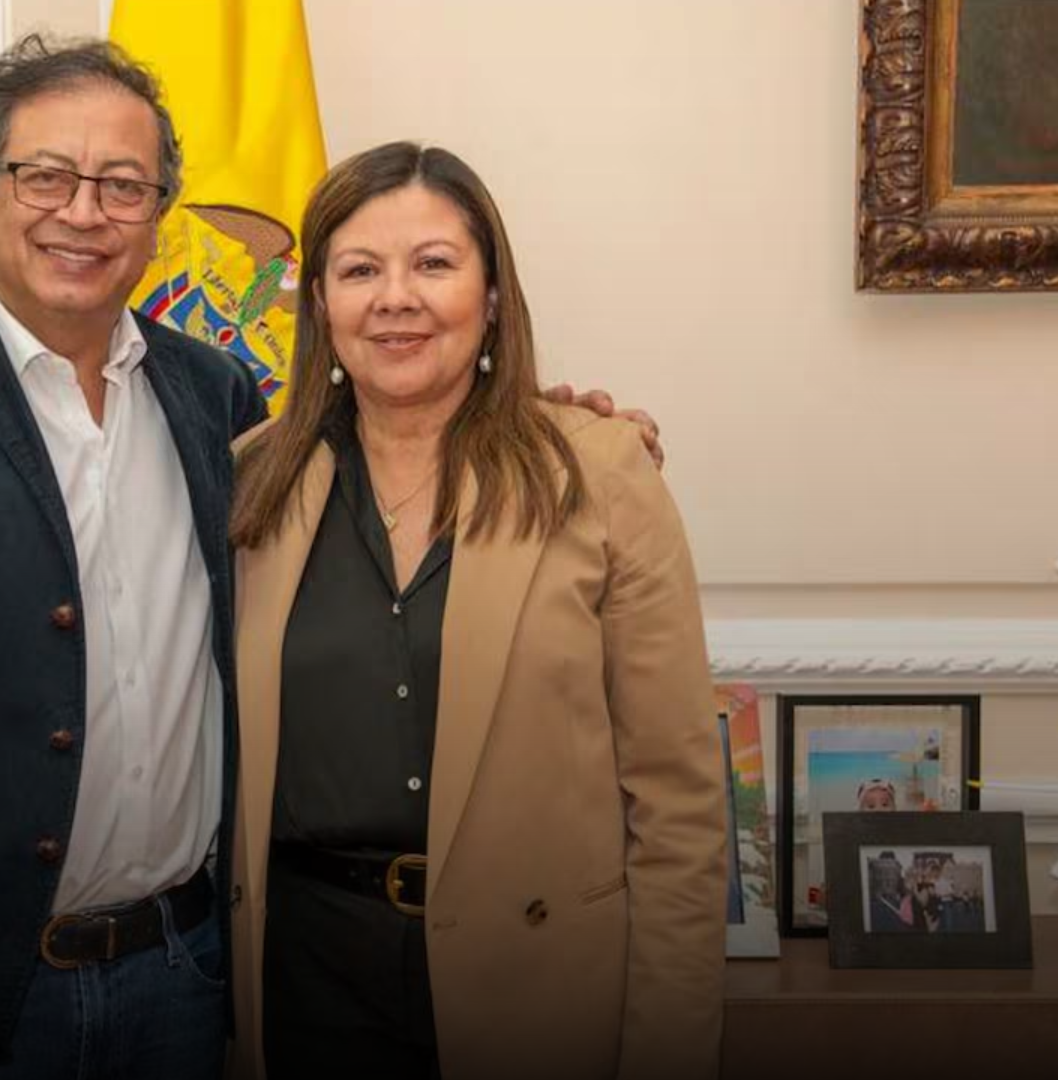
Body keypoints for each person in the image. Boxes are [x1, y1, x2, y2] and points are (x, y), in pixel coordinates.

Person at [0, 34, 665, 1080]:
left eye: (123, 185)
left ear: (162, 213)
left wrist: (555, 422)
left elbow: (397, 446)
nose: (85, 212)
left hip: (191, 980)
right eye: (47, 176)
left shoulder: (219, 403)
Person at [224, 143, 724, 1080]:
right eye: (359, 271)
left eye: (433, 264)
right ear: (318, 303)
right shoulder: (249, 481)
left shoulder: (600, 472)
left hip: (537, 983)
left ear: (492, 296)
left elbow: (677, 805)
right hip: (304, 982)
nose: (395, 298)